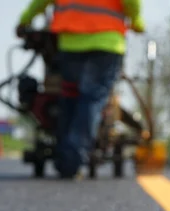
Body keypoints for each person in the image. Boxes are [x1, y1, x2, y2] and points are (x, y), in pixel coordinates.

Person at [16, 0, 145, 179]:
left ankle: (65, 154)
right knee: (91, 98)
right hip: (107, 43)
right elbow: (132, 3)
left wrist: (24, 21)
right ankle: (71, 159)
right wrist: (137, 21)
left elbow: (40, 2)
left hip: (71, 42)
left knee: (69, 97)